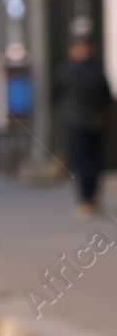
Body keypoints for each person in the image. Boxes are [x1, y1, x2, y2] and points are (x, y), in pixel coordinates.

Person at [56, 36, 114, 216]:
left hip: (82, 123)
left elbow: (56, 94)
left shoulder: (69, 69)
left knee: (87, 162)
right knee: (89, 162)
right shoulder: (89, 69)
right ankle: (88, 197)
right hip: (88, 123)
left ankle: (88, 197)